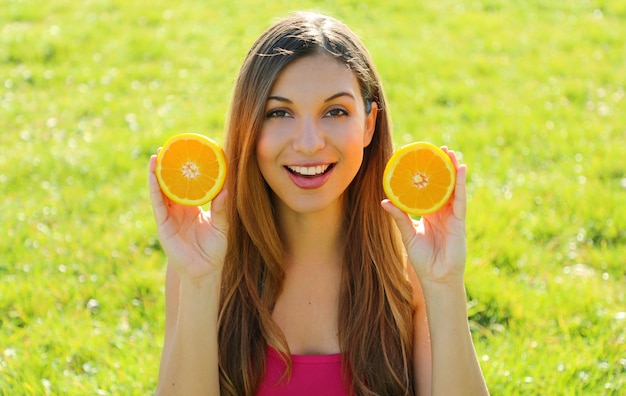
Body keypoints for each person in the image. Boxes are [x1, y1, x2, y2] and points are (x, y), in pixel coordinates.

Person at [148, 11, 489, 396]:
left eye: (335, 111)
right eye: (279, 113)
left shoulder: (410, 270)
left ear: (369, 124)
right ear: (248, 126)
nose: (309, 143)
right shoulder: (204, 264)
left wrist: (444, 285)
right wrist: (198, 281)